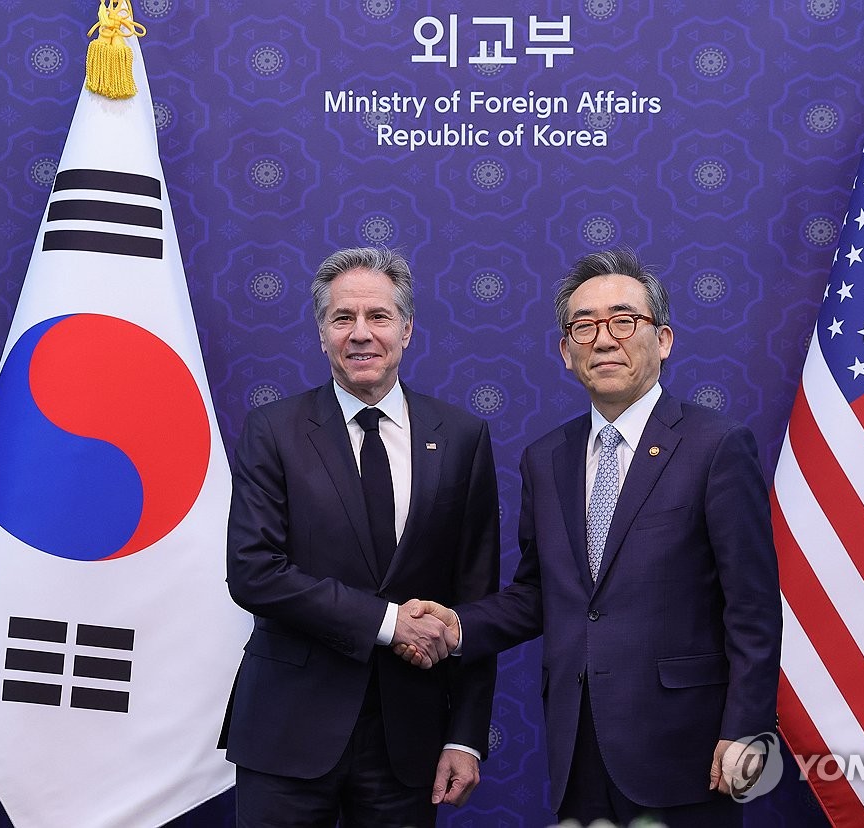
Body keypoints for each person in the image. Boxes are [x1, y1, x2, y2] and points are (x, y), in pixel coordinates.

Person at [401, 249, 781, 826]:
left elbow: (752, 606)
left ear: (664, 339)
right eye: (585, 325)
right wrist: (458, 627)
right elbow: (538, 593)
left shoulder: (717, 447)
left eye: (624, 320)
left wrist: (746, 730)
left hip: (689, 750)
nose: (605, 340)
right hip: (577, 747)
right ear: (565, 351)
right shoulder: (544, 459)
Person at [221, 247, 500, 827]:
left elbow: (475, 600)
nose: (361, 334)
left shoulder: (463, 437)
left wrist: (467, 736)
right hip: (287, 733)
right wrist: (390, 623)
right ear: (321, 333)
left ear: (407, 328)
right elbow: (254, 571)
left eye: (378, 316)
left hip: (410, 740)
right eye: (342, 318)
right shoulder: (274, 431)